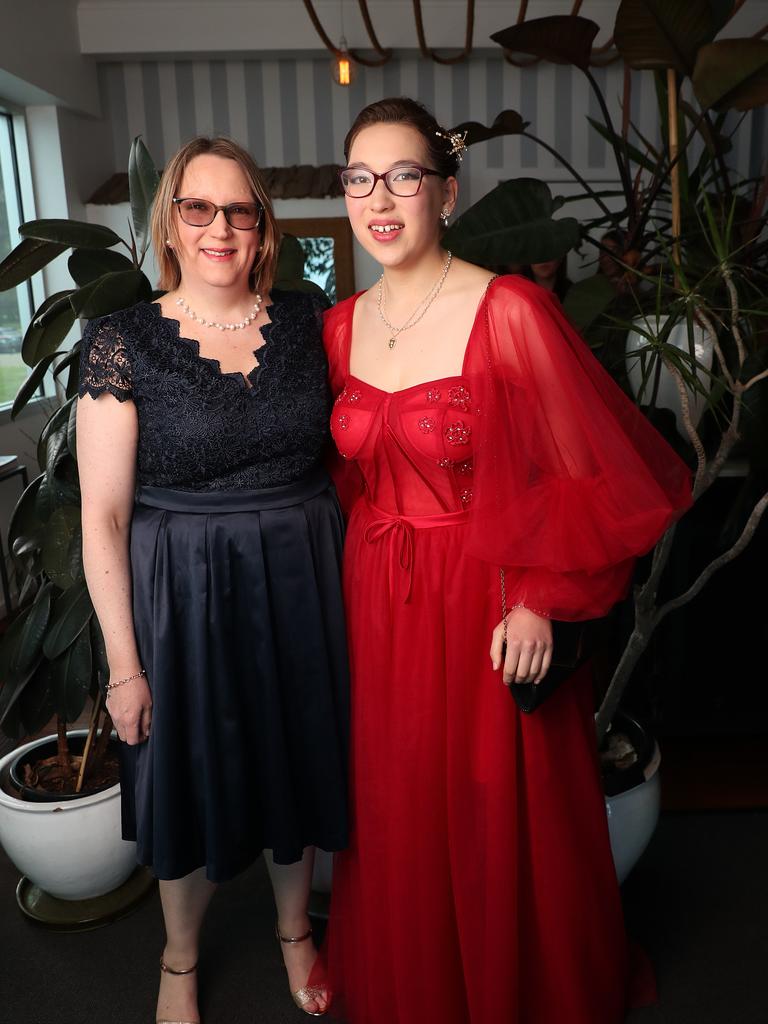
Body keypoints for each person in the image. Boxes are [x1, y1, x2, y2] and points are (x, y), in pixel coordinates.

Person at [313, 98, 692, 1024]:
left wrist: (539, 596)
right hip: (380, 594)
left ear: (446, 190)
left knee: (490, 802)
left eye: (404, 175)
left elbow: (590, 471)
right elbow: (349, 479)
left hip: (483, 597)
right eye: (360, 179)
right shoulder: (338, 326)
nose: (380, 199)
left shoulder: (510, 308)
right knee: (398, 803)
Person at [78, 136, 348, 1021]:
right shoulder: (122, 343)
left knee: (295, 761)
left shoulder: (312, 321)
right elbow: (103, 518)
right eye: (199, 208)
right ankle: (182, 959)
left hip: (305, 580)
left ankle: (293, 931)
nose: (220, 227)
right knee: (185, 774)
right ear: (172, 220)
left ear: (262, 225)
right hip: (179, 592)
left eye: (239, 209)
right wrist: (124, 665)